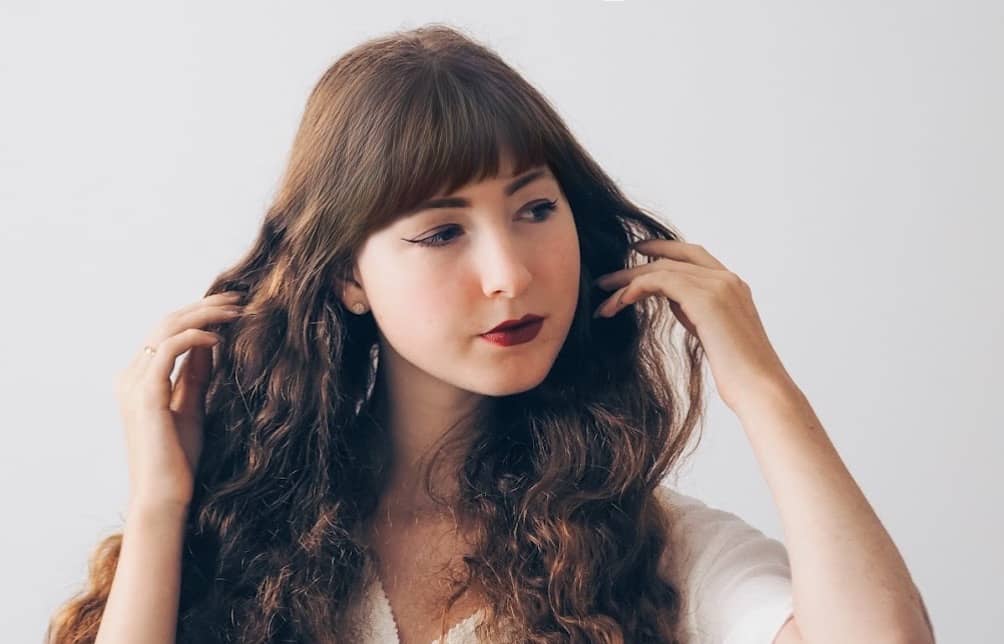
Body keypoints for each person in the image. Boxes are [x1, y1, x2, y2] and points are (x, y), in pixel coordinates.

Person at [47, 23, 933, 644]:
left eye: (536, 209)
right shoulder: (241, 536)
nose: (510, 271)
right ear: (350, 277)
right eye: (441, 232)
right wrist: (164, 504)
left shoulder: (647, 547)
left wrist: (766, 390)